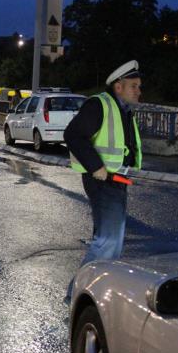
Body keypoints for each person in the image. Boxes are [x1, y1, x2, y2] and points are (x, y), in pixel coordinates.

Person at [63, 60, 143, 304]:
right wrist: (95, 166)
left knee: (110, 240)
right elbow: (73, 135)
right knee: (108, 242)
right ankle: (76, 294)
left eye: (139, 86)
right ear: (118, 86)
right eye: (134, 86)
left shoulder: (123, 110)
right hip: (102, 180)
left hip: (116, 180)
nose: (139, 91)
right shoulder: (100, 105)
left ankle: (93, 292)